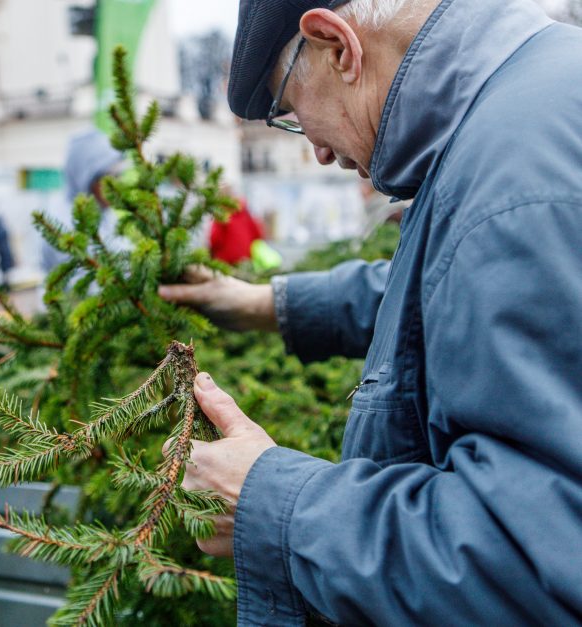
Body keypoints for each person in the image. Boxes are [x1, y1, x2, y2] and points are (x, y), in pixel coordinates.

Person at [159, 0, 582, 624]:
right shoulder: (531, 99)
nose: (320, 155)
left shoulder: (512, 181)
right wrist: (270, 305)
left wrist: (273, 502)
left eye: (290, 112)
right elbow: (453, 287)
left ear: (337, 47)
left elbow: (533, 560)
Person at [41, 128, 127, 273]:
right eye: (111, 177)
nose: (117, 185)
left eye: (120, 175)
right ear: (87, 178)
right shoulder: (64, 224)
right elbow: (88, 285)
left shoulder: (105, 214)